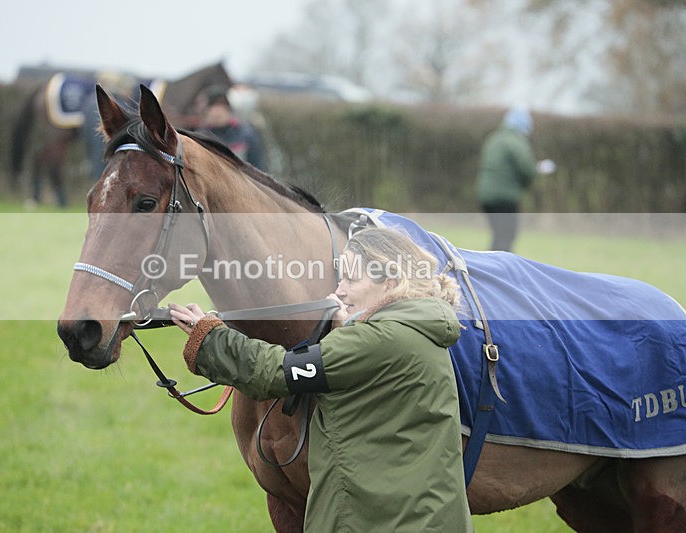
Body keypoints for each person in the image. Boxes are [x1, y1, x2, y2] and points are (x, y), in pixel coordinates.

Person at [169, 227, 473, 532]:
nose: (339, 291)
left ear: (390, 284)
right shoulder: (415, 324)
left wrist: (210, 337)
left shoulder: (379, 339)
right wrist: (346, 329)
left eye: (352, 279)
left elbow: (277, 372)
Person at [475, 106, 556, 252]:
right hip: (504, 196)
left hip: (485, 195)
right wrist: (539, 169)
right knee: (507, 236)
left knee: (499, 235)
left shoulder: (494, 138)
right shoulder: (516, 141)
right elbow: (527, 169)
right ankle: (499, 266)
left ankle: (492, 263)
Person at [197, 85, 268, 171]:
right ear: (207, 111)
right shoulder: (201, 138)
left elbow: (258, 167)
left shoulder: (246, 134)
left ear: (228, 109)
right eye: (213, 107)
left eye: (221, 106)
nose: (217, 112)